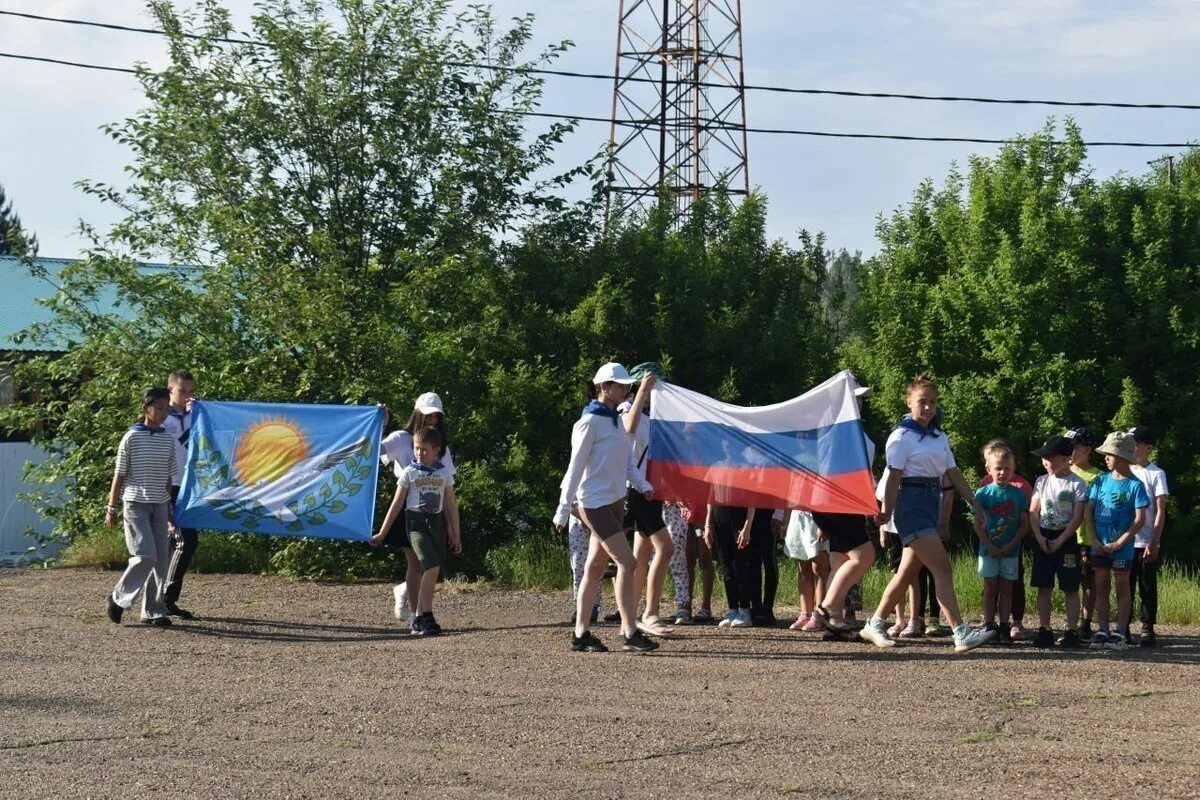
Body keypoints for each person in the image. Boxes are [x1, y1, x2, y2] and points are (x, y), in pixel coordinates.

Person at [858, 375, 995, 653]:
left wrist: (974, 502)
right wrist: (886, 512)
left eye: (933, 402)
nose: (928, 407)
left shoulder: (938, 436)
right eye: (922, 402)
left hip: (931, 500)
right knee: (942, 566)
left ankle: (874, 623)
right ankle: (960, 631)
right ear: (909, 403)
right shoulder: (900, 437)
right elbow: (894, 477)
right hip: (910, 504)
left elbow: (952, 473)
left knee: (906, 573)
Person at [553, 363, 658, 653]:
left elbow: (625, 464)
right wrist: (563, 509)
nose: (625, 390)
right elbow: (574, 469)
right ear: (604, 388)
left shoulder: (616, 421)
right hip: (593, 504)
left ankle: (580, 634)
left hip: (614, 503)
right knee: (628, 562)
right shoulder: (588, 422)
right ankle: (629, 631)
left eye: (627, 385)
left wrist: (642, 486)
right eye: (620, 385)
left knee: (596, 566)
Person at [370, 426, 462, 636]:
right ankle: (424, 615)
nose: (419, 453)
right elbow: (396, 504)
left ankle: (420, 618)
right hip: (415, 524)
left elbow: (450, 504)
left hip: (435, 524)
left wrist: (455, 532)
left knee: (434, 568)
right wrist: (382, 534)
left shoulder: (443, 473)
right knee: (430, 566)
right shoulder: (409, 472)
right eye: (416, 449)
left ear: (437, 450)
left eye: (424, 450)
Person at [104, 387, 179, 627]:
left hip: (159, 504)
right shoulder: (131, 437)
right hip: (135, 503)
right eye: (159, 408)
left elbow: (169, 477)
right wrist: (111, 508)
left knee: (161, 561)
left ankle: (154, 610)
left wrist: (169, 510)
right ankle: (118, 598)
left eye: (166, 408)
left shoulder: (168, 439)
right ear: (146, 408)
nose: (163, 413)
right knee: (145, 555)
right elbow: (119, 475)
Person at [379, 392, 455, 623]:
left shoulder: (440, 446)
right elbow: (373, 450)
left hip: (432, 508)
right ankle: (417, 616)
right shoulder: (401, 439)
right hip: (407, 507)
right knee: (417, 563)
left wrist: (452, 523)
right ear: (418, 413)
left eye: (436, 416)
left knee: (427, 564)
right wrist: (379, 423)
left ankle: (406, 593)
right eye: (428, 415)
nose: (432, 420)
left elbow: (449, 484)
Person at [810, 385, 878, 640]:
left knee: (839, 561)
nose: (859, 404)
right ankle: (828, 607)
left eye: (860, 401)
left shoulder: (839, 433)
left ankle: (834, 622)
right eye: (854, 400)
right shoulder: (843, 434)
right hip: (839, 504)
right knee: (864, 556)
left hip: (835, 504)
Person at [619, 363, 674, 636]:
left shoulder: (654, 416)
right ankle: (650, 613)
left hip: (649, 490)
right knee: (666, 548)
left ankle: (632, 615)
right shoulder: (626, 408)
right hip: (634, 489)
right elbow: (628, 428)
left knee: (641, 554)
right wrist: (641, 390)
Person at [1085, 431, 1150, 651]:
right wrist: (1093, 539)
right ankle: (1102, 628)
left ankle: (1121, 632)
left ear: (1122, 456)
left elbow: (1140, 519)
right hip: (1100, 544)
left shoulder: (1136, 485)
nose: (1105, 457)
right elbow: (1089, 511)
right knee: (1101, 586)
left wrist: (1121, 542)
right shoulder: (1100, 481)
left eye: (1110, 453)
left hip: (1122, 547)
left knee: (1123, 587)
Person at [1028, 436, 1087, 648]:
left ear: (1065, 459)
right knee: (1043, 585)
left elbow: (1078, 517)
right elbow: (1034, 511)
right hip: (1044, 536)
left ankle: (1071, 630)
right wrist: (1039, 537)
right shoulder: (1041, 481)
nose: (1045, 462)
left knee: (1070, 586)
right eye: (1043, 458)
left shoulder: (1077, 484)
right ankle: (1044, 628)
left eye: (1049, 458)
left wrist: (1061, 539)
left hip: (1067, 539)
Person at [977, 439, 1035, 640]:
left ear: (1013, 469)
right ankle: (989, 624)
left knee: (1007, 589)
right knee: (990, 587)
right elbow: (977, 523)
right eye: (998, 468)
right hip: (988, 550)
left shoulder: (1019, 495)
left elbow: (1024, 524)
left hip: (1011, 550)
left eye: (1007, 469)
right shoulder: (982, 494)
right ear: (989, 469)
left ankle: (1004, 625)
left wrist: (1012, 543)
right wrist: (987, 544)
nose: (1002, 472)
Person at [158, 368, 198, 619]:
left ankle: (162, 597)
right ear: (170, 388)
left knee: (173, 543)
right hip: (168, 485)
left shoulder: (197, 415)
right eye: (182, 391)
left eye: (191, 392)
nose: (187, 396)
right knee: (187, 540)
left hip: (192, 485)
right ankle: (166, 598)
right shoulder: (161, 417)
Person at [1128, 426, 1168, 648]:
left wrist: (1154, 541)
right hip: (1125, 539)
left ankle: (1147, 627)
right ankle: (1123, 626)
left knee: (1147, 585)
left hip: (1145, 539)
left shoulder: (1156, 473)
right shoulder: (1125, 470)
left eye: (1136, 442)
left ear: (1148, 447)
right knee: (1126, 585)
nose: (1132, 447)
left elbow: (1160, 509)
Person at [1064, 426, 1102, 640]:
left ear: (1087, 449)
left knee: (1089, 581)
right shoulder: (1063, 471)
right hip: (1066, 536)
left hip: (1087, 538)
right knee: (1069, 580)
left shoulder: (1098, 477)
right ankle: (1070, 620)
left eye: (1074, 447)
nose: (1070, 451)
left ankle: (1085, 621)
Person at [705, 505, 758, 627]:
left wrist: (747, 526)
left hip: (740, 519)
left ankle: (745, 611)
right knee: (726, 567)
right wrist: (708, 524)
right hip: (720, 520)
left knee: (740, 566)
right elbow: (711, 497)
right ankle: (732, 609)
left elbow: (751, 501)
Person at [783, 509, 829, 631]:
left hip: (817, 517)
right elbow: (792, 495)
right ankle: (806, 613)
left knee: (820, 569)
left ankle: (820, 615)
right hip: (798, 517)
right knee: (803, 568)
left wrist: (823, 524)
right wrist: (786, 520)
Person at [567, 509, 603, 625]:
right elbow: (570, 502)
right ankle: (581, 606)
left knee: (597, 564)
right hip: (578, 520)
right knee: (578, 564)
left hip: (600, 516)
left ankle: (594, 607)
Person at [683, 502, 716, 623]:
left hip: (704, 513)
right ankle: (686, 606)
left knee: (705, 558)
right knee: (687, 559)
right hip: (685, 512)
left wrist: (709, 519)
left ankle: (706, 607)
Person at [663, 500, 694, 624]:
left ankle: (683, 606)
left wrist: (676, 496)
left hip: (676, 513)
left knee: (678, 560)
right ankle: (652, 607)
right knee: (653, 562)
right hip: (654, 512)